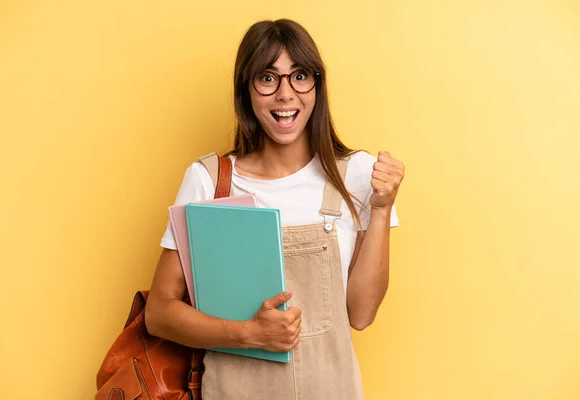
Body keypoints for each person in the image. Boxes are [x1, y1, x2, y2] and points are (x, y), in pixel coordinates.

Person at [145, 18, 405, 400]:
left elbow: (361, 314)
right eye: (268, 78)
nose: (286, 94)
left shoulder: (358, 175)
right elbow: (159, 313)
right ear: (245, 90)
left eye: (299, 76)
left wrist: (381, 211)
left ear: (317, 86)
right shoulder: (210, 180)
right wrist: (250, 333)